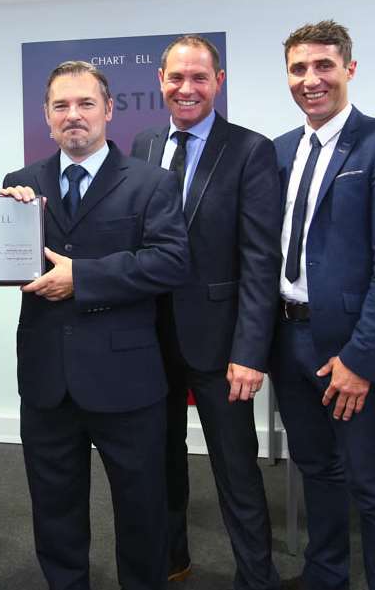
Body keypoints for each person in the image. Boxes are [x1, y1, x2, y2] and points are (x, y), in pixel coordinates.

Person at [1, 60, 190, 590]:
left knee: (141, 509)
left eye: (86, 104)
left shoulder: (151, 183)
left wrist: (82, 278)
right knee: (54, 511)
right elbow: (3, 260)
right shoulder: (21, 185)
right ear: (46, 116)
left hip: (125, 380)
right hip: (46, 379)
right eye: (61, 106)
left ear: (109, 110)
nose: (73, 115)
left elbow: (172, 263)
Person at [130, 35, 282, 588]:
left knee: (236, 469)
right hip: (148, 339)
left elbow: (262, 260)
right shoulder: (144, 144)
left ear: (219, 81)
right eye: (176, 78)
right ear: (161, 83)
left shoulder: (249, 149)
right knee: (162, 461)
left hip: (220, 343)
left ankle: (256, 576)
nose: (186, 88)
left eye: (199, 77)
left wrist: (250, 350)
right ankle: (174, 562)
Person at [272, 20, 375, 590]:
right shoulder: (279, 150)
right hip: (288, 339)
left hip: (350, 346)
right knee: (317, 470)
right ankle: (325, 574)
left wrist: (363, 357)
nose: (311, 79)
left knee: (372, 482)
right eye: (299, 68)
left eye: (324, 65)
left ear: (348, 69)